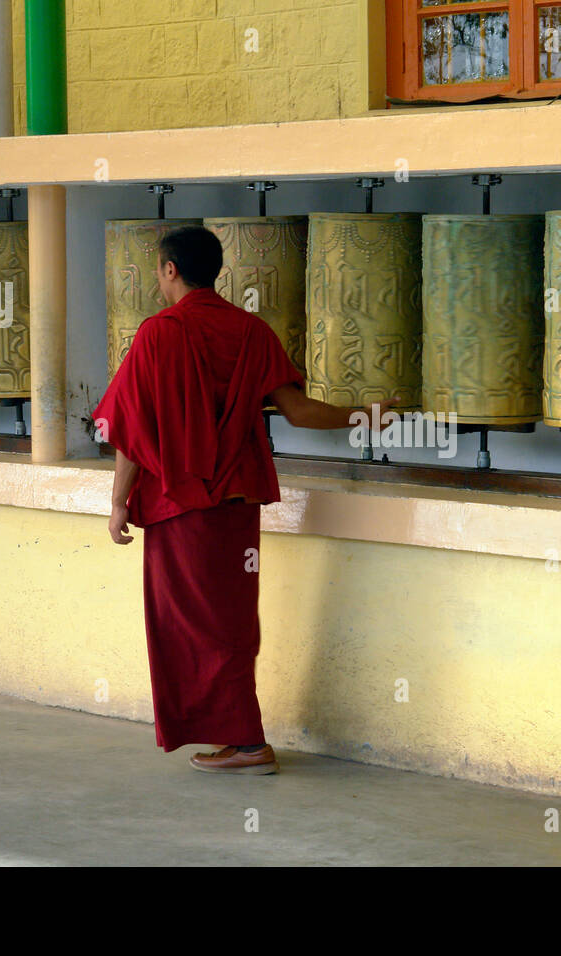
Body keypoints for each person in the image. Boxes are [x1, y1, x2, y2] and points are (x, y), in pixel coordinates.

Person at [93, 226, 395, 775]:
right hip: (236, 502)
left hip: (181, 504)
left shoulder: (160, 334)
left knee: (190, 623)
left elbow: (132, 431)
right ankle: (240, 738)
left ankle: (249, 742)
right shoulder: (252, 332)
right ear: (216, 270)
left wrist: (118, 503)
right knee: (229, 621)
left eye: (161, 271)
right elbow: (300, 413)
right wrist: (370, 414)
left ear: (169, 270)